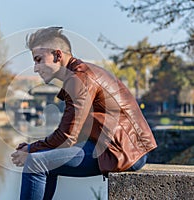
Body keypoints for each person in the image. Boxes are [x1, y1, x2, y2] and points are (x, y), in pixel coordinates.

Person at [11, 27, 157, 200]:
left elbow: (67, 137)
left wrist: (30, 149)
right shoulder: (78, 76)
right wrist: (33, 149)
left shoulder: (79, 80)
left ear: (58, 55)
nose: (36, 68)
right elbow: (70, 132)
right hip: (115, 147)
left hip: (120, 151)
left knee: (35, 163)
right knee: (41, 159)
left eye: (39, 60)